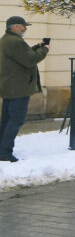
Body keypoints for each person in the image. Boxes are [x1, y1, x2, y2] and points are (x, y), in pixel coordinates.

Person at [0, 15, 49, 162]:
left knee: (8, 120)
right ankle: (5, 153)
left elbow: (23, 55)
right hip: (18, 89)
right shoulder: (15, 42)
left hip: (10, 88)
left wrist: (36, 47)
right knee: (16, 120)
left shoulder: (6, 40)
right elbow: (30, 60)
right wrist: (44, 50)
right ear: (15, 27)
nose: (25, 28)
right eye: (23, 26)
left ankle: (2, 149)